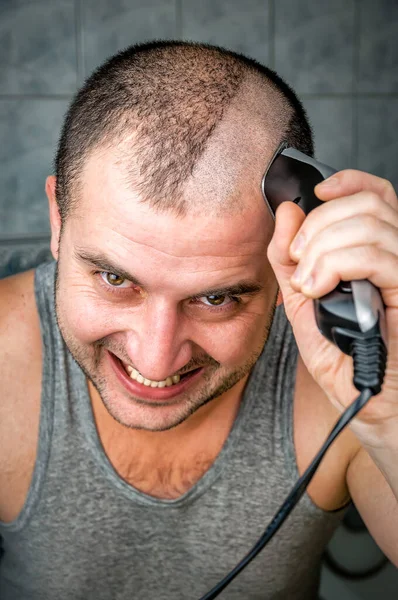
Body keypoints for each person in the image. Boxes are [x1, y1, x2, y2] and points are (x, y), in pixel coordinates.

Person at [0, 41, 397, 600]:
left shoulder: (348, 378)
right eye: (116, 280)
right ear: (57, 220)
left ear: (289, 254)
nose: (154, 359)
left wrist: (390, 413)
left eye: (217, 300)